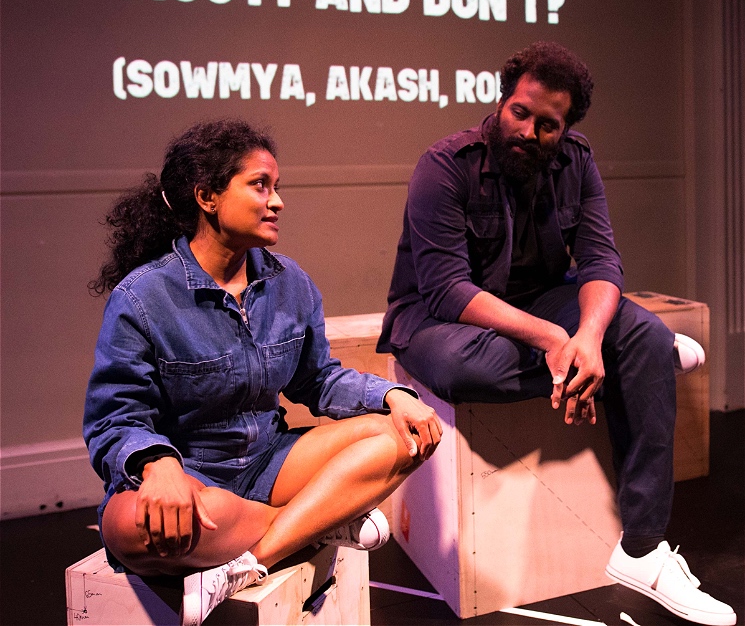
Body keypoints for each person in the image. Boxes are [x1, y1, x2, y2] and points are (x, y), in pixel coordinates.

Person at [378, 42, 736, 626]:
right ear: (502, 102)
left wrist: (590, 337)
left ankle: (642, 549)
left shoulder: (576, 161)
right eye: (521, 113)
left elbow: (600, 260)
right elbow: (447, 289)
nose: (529, 131)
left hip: (542, 298)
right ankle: (633, 361)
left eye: (549, 124)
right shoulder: (444, 166)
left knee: (635, 333)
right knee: (473, 369)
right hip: (438, 317)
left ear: (564, 128)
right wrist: (554, 339)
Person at [84, 118, 442, 626]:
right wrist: (157, 464)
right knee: (131, 530)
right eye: (260, 186)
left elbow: (317, 381)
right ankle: (321, 521)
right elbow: (113, 420)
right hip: (192, 475)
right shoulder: (143, 297)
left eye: (277, 188)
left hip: (270, 464)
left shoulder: (289, 282)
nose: (277, 202)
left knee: (402, 435)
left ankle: (253, 561)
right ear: (207, 197)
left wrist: (392, 397)